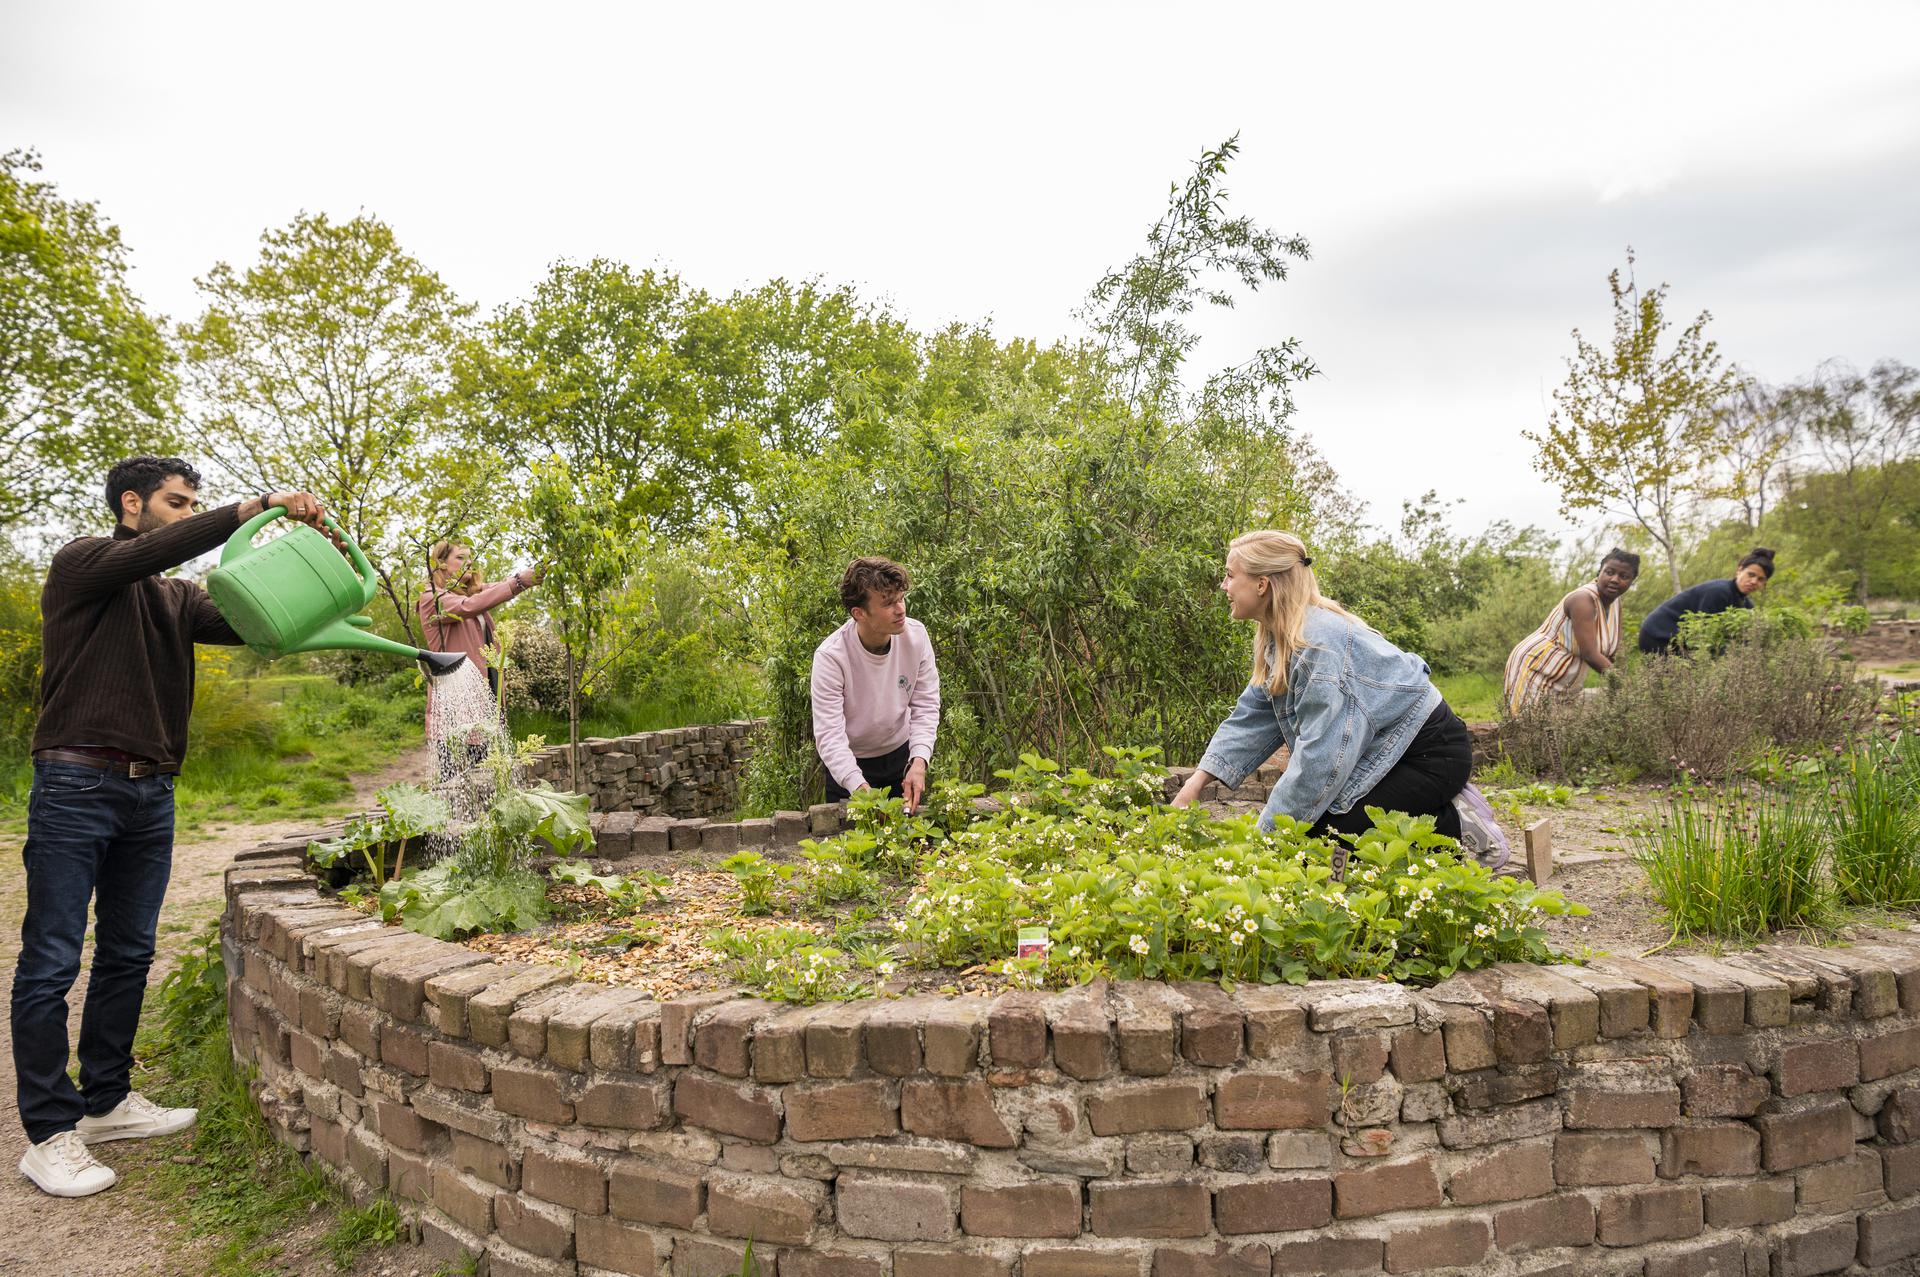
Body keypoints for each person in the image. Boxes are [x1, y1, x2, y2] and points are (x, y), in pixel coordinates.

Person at [14, 457, 331, 1197]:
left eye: (194, 502)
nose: (187, 512)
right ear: (132, 504)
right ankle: (49, 1134)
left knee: (127, 952)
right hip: (74, 783)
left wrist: (322, 550)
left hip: (149, 793)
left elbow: (270, 626)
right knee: (52, 958)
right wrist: (255, 504)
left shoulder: (180, 602)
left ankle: (106, 1101)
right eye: (176, 501)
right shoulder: (82, 565)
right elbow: (159, 551)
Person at [1171, 531, 1476, 872]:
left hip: (1429, 753)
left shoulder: (1318, 646)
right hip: (1384, 748)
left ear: (1261, 584)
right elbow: (1250, 719)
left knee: (1332, 832)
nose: (1224, 586)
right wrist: (1194, 785)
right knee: (1318, 824)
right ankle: (1342, 887)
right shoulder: (1280, 638)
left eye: (1229, 575)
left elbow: (1319, 762)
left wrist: (1263, 845)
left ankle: (1449, 835)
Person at [810, 557, 940, 813]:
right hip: (848, 766)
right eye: (888, 603)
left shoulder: (916, 637)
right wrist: (857, 785)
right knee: (853, 850)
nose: (901, 609)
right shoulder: (831, 657)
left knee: (911, 845)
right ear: (859, 613)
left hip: (902, 759)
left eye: (901, 598)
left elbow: (926, 704)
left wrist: (919, 760)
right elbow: (829, 735)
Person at [418, 540, 541, 771]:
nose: (469, 564)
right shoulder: (433, 598)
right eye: (460, 558)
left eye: (471, 558)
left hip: (484, 695)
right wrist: (518, 583)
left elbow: (493, 589)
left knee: (488, 775)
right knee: (457, 779)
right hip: (457, 704)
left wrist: (530, 578)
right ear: (441, 564)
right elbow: (470, 605)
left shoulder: (468, 592)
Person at [1502, 549, 1642, 715]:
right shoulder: (1583, 600)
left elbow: (1614, 654)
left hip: (1567, 684)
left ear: (1632, 581)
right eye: (1609, 572)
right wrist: (1625, 685)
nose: (1614, 579)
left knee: (1567, 731)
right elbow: (1590, 654)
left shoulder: (1616, 603)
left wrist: (1627, 685)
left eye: (1623, 576)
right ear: (1600, 572)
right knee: (1532, 731)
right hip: (1536, 670)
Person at [1636, 548, 1776, 655]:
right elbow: (1705, 636)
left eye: (1760, 579)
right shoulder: (1719, 592)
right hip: (1657, 636)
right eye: (1750, 575)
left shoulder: (1747, 606)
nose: (1753, 581)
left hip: (1681, 641)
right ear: (1739, 571)